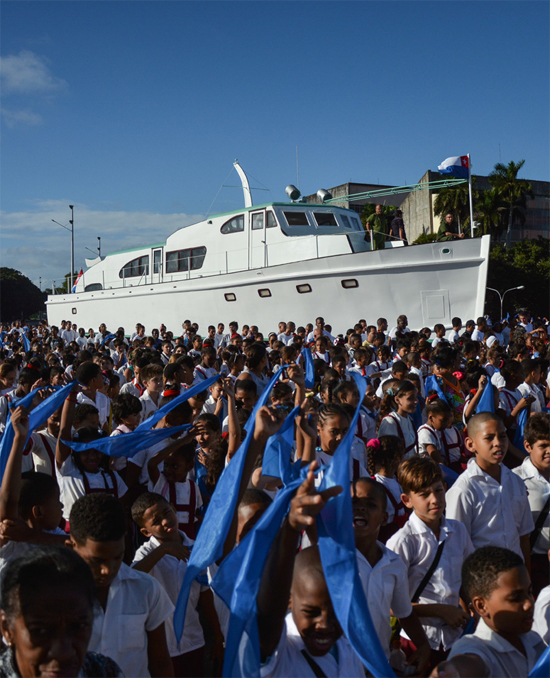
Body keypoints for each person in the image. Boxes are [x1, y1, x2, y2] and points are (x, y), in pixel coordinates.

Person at [257, 462, 365, 677]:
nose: (324, 624)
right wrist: (291, 529)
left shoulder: (347, 645)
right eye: (311, 612)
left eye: (336, 611)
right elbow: (268, 617)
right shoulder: (279, 648)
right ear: (289, 600)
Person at [70, 493, 175, 678]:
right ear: (72, 546)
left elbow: (160, 662)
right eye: (96, 561)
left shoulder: (147, 589)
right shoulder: (52, 595)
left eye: (117, 557)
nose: (107, 570)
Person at [387, 458, 473, 668]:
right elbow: (390, 605)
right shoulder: (402, 542)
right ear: (407, 500)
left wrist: (469, 607)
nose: (434, 499)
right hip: (417, 640)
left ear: (445, 489)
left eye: (438, 491)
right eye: (424, 494)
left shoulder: (458, 531)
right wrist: (440, 610)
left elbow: (466, 579)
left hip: (454, 637)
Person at [131, 493, 224, 678]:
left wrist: (216, 634)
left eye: (167, 512)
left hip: (194, 640)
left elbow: (205, 596)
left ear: (174, 509)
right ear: (146, 532)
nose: (166, 521)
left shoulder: (196, 548)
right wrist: (163, 550)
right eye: (156, 521)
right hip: (162, 647)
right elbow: (133, 577)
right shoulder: (145, 553)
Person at [0, 546, 124, 677]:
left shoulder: (105, 672)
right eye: (41, 631)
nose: (63, 653)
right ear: (7, 628)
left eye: (78, 627)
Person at [351, 478, 430, 673]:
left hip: (378, 665)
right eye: (353, 503)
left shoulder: (393, 563)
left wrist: (423, 645)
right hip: (339, 665)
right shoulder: (331, 557)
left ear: (385, 518)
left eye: (370, 504)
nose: (360, 509)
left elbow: (404, 612)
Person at [443, 546, 545, 677]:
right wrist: (451, 671)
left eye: (529, 592)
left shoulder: (533, 640)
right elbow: (466, 665)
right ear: (481, 606)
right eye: (515, 598)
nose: (529, 604)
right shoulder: (475, 648)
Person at [445, 412, 534, 562]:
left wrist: (526, 577)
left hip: (515, 576)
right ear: (470, 444)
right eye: (489, 438)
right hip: (482, 579)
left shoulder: (516, 482)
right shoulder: (464, 489)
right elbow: (456, 547)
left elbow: (523, 536)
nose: (498, 443)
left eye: (503, 436)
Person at [513, 412, 550, 596]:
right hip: (534, 566)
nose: (549, 450)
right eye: (543, 446)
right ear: (528, 446)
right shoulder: (515, 479)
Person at [378, 380, 419, 458]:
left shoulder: (408, 419)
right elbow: (389, 456)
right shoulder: (390, 422)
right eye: (410, 398)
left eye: (416, 397)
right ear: (397, 400)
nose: (416, 401)